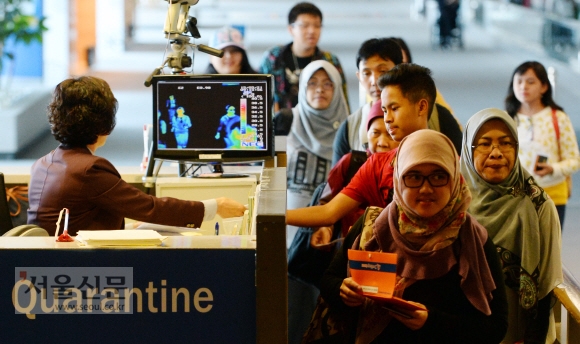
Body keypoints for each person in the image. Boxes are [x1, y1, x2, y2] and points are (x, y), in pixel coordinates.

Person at [314, 129, 508, 343]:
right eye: (414, 176)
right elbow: (328, 280)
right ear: (398, 178)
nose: (425, 189)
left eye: (438, 176)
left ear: (454, 179)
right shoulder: (374, 227)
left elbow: (496, 327)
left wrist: (432, 322)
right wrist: (343, 291)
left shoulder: (472, 240)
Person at [27, 76, 246, 236]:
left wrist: (131, 227)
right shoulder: (89, 170)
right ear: (104, 122)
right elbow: (149, 208)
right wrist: (215, 206)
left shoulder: (42, 164)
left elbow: (79, 222)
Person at [286, 63, 434, 229]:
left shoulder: (447, 162)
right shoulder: (377, 165)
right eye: (385, 110)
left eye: (394, 108)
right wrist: (271, 215)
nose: (387, 118)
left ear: (421, 107)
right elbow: (329, 212)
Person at [459, 108, 562, 343]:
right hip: (464, 327)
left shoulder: (538, 205)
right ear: (467, 149)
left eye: (506, 143)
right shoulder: (453, 202)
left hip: (519, 333)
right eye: (484, 144)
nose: (496, 153)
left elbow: (544, 288)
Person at [283, 59, 348, 344]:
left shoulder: (348, 128)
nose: (319, 90)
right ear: (302, 88)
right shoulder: (286, 122)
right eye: (312, 83)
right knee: (291, 308)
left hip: (329, 234)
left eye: (327, 84)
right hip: (287, 229)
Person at [505, 61, 580, 229]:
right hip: (516, 196)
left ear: (544, 87)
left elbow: (574, 160)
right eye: (519, 81)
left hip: (552, 194)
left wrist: (552, 169)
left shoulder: (558, 118)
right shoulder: (507, 120)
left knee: (549, 249)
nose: (524, 86)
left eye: (530, 82)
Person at [259, 2, 349, 112]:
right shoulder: (273, 57)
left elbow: (342, 100)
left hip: (319, 124)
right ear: (291, 29)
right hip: (280, 125)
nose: (312, 31)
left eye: (317, 25)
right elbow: (261, 96)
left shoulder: (330, 61)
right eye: (305, 26)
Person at [331, 38, 403, 165]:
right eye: (366, 73)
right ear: (359, 77)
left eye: (383, 71)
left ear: (400, 71)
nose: (374, 81)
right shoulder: (350, 127)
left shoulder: (432, 117)